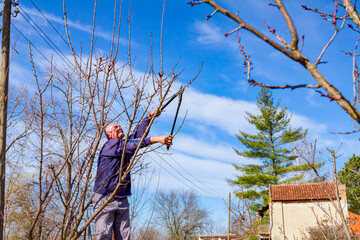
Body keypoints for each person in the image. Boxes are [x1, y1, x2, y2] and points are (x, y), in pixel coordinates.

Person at [93, 109, 172, 240]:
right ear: (109, 135)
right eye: (115, 127)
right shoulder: (110, 146)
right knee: (103, 235)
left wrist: (149, 117)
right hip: (105, 197)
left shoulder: (123, 145)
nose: (119, 128)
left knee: (124, 236)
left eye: (119, 126)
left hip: (122, 197)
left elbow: (137, 137)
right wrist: (157, 139)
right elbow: (132, 145)